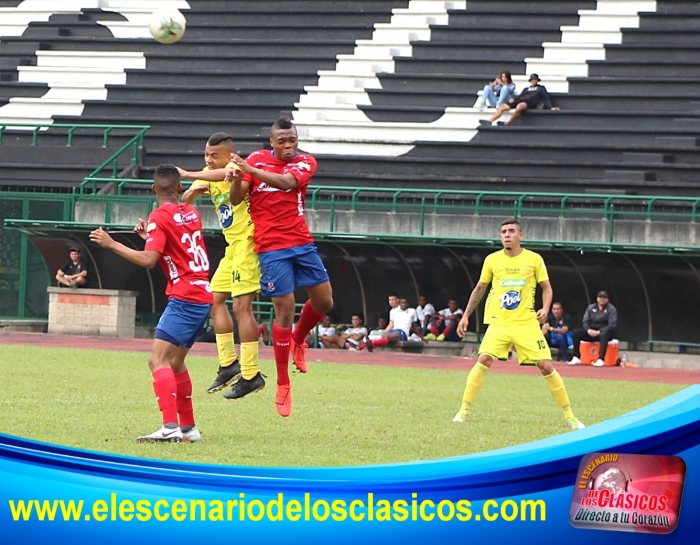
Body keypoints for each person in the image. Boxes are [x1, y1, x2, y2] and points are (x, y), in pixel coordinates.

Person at [88, 165, 213, 442]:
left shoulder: (158, 216)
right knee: (176, 362)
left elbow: (149, 260)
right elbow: (176, 245)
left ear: (153, 189)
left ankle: (169, 428)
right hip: (203, 294)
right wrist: (151, 238)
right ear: (179, 188)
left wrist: (111, 244)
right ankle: (188, 429)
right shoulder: (191, 213)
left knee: (156, 360)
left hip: (185, 297)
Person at [228, 116, 333, 417]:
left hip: (301, 241)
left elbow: (287, 184)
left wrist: (249, 170)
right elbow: (238, 199)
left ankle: (300, 339)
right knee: (284, 308)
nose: (288, 146)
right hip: (271, 247)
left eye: (293, 140)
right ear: (272, 142)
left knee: (324, 301)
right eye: (282, 141)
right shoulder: (257, 159)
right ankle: (283, 384)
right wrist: (238, 180)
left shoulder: (305, 163)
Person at [453, 217, 584, 430]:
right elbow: (479, 288)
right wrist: (466, 315)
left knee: (546, 365)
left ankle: (570, 416)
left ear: (520, 235)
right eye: (503, 231)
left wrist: (545, 308)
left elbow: (547, 287)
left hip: (526, 324)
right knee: (483, 358)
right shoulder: (492, 260)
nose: (507, 235)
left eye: (511, 231)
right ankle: (463, 410)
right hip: (499, 323)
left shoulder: (533, 259)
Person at [177, 132, 265, 401]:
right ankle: (229, 363)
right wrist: (192, 192)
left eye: (214, 155)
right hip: (232, 247)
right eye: (206, 154)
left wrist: (189, 175)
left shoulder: (236, 167)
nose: (209, 159)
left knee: (241, 306)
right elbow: (184, 206)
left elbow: (224, 176)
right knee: (214, 300)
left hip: (249, 242)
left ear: (229, 154)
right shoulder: (209, 171)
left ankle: (251, 374)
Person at [480, 74, 560, 127]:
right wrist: (514, 99)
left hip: (529, 102)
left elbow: (546, 97)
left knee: (519, 107)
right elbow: (520, 95)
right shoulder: (526, 89)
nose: (533, 81)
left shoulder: (541, 88)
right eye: (532, 80)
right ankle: (490, 121)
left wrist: (550, 107)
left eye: (535, 79)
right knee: (502, 107)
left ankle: (508, 123)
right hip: (520, 99)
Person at [568, 291, 618, 367]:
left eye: (604, 297)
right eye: (600, 297)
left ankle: (601, 359)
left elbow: (612, 324)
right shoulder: (591, 308)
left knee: (604, 335)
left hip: (604, 332)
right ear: (597, 298)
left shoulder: (611, 309)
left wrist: (599, 331)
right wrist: (588, 330)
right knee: (576, 333)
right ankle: (576, 357)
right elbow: (585, 321)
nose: (602, 299)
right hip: (591, 331)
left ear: (607, 299)